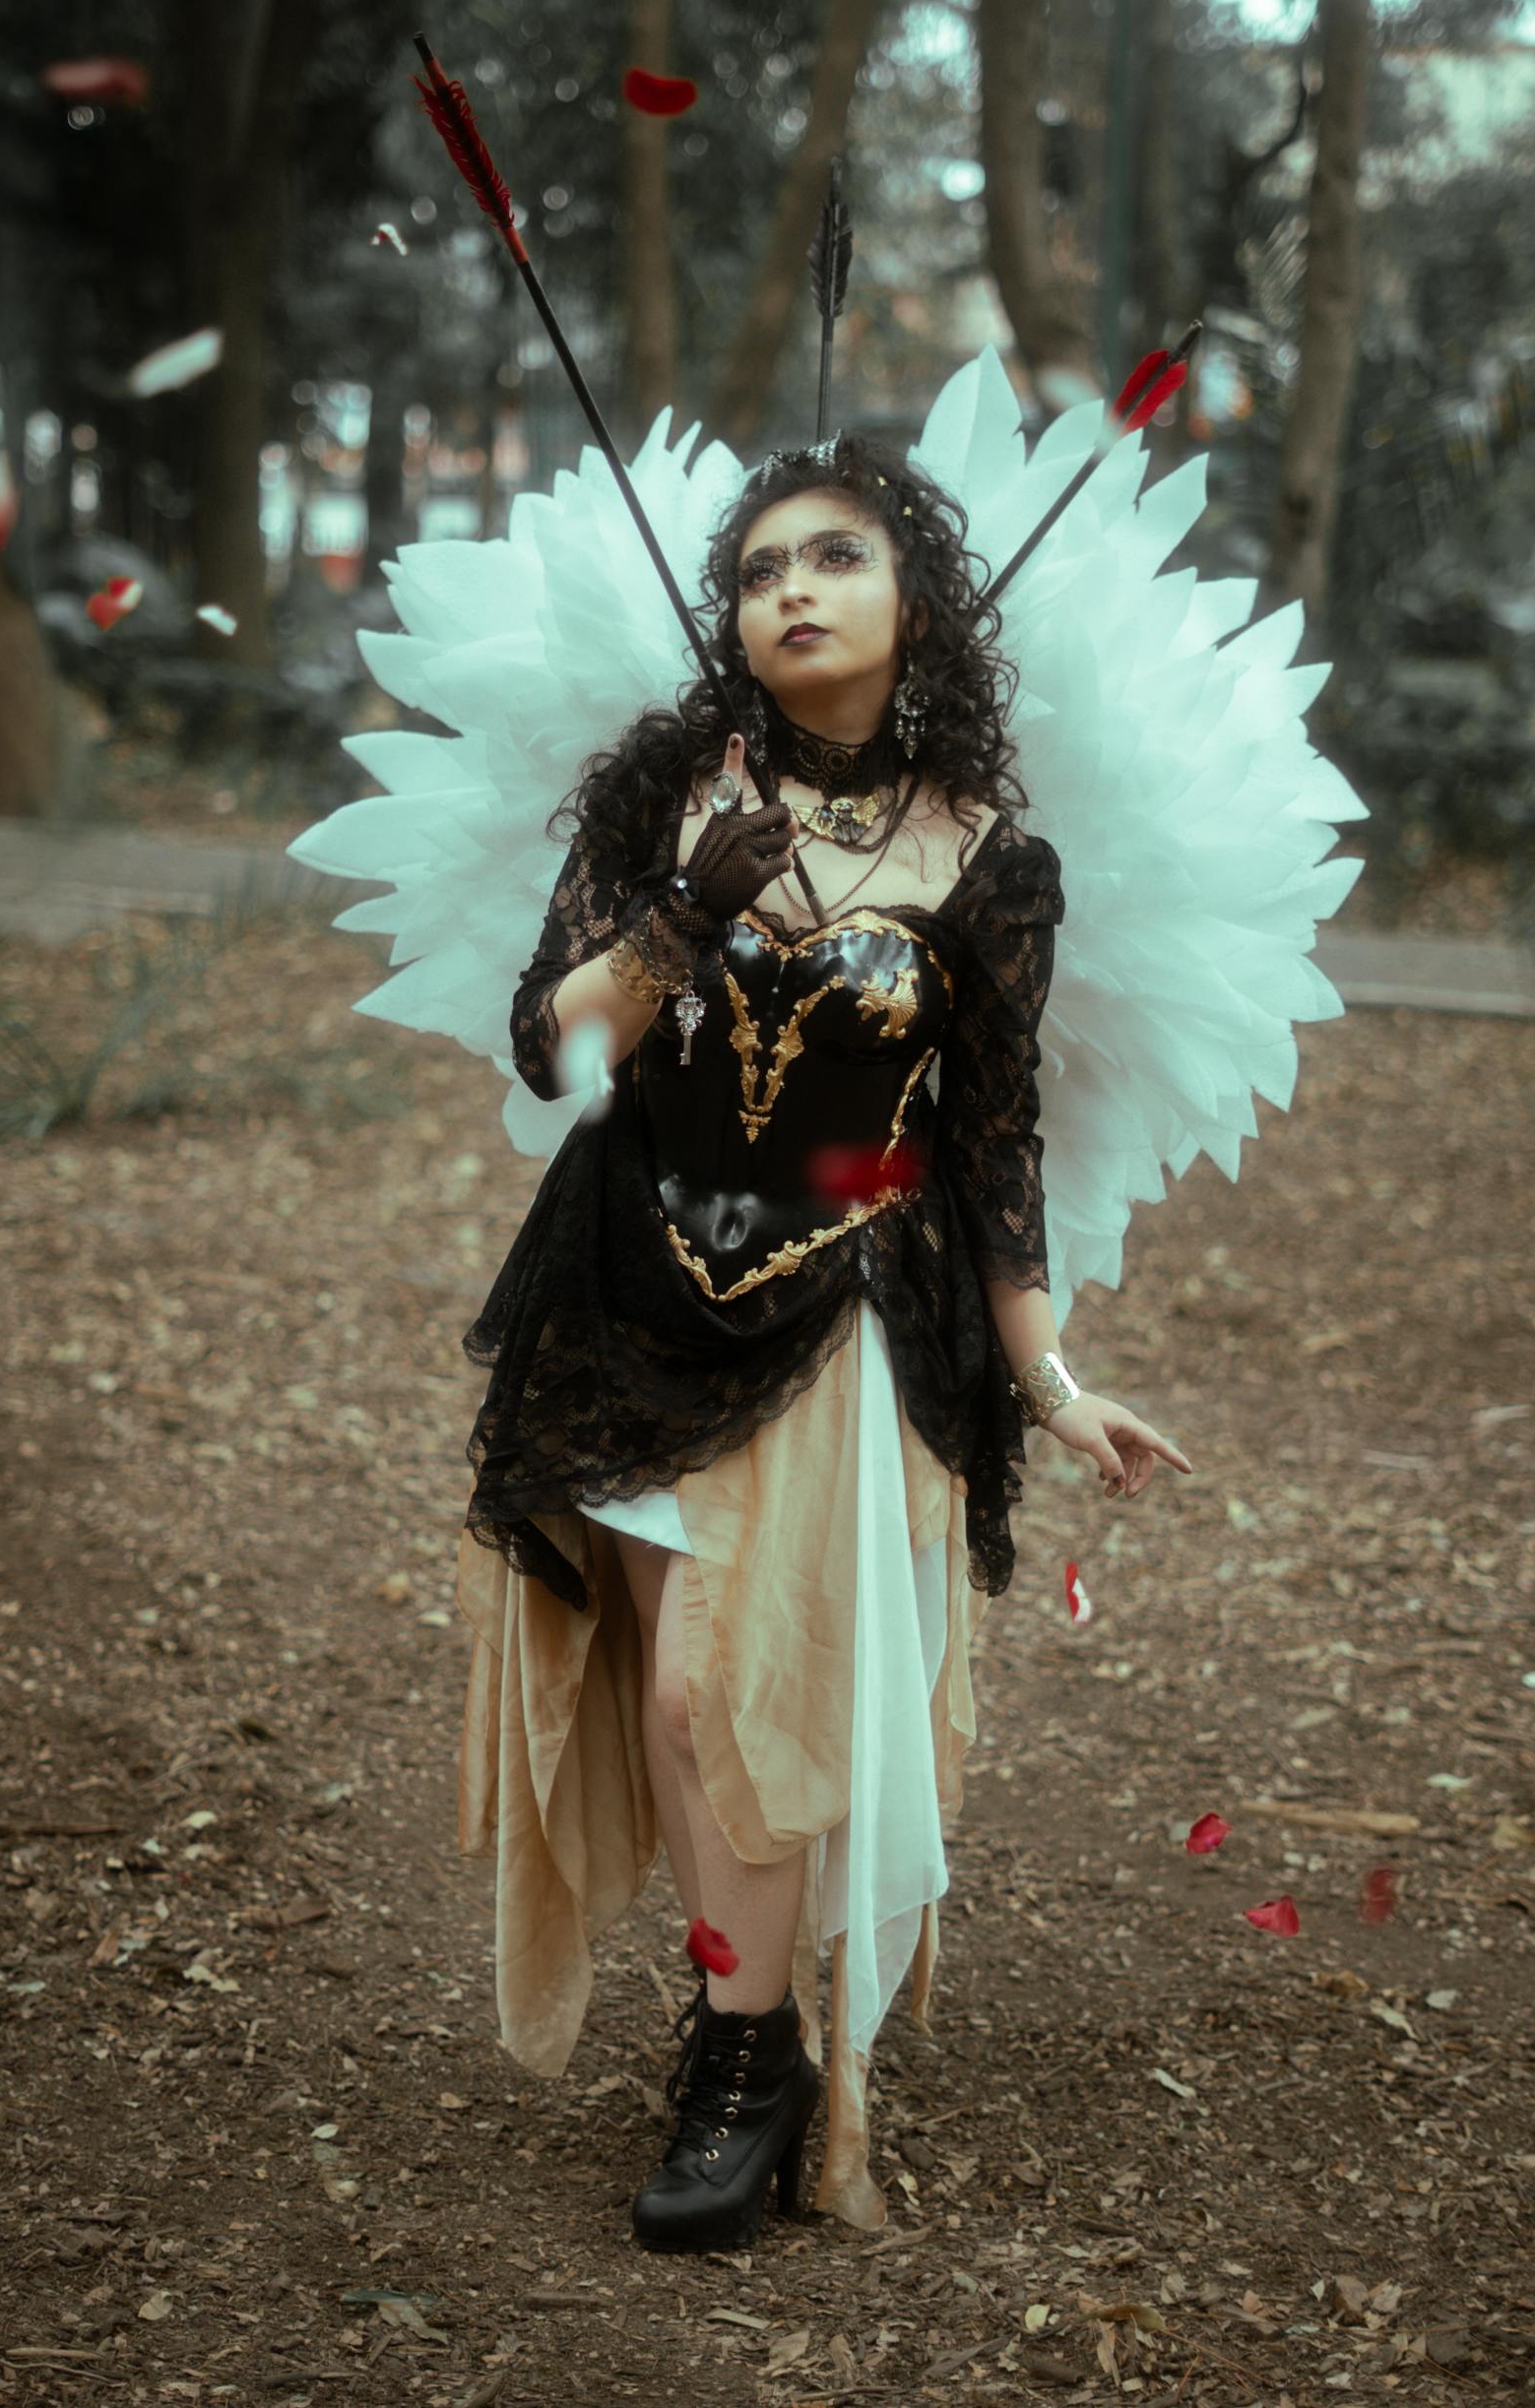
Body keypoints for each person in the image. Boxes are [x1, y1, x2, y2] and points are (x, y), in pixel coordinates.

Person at [450, 431, 1191, 2250]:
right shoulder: (667, 791)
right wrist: (690, 902)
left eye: (835, 555)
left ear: (911, 597)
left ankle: (741, 2048)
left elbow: (993, 1137)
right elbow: (553, 1050)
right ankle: (739, 2029)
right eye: (761, 563)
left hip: (848, 1298)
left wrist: (1051, 1376)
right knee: (672, 1703)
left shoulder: (990, 863)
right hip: (635, 1283)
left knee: (721, 1692)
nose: (791, 584)